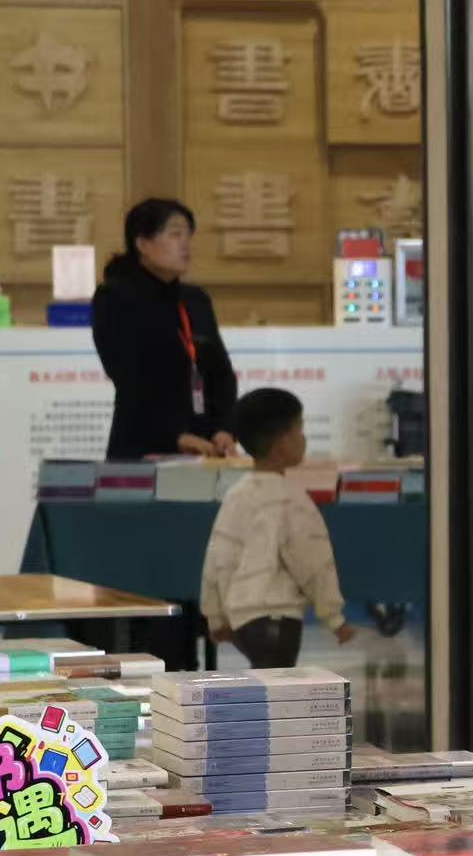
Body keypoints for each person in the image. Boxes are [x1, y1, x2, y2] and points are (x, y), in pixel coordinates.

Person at [201, 389, 355, 670]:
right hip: (278, 620)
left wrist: (216, 617)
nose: (303, 439)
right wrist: (334, 618)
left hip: (242, 621)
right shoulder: (292, 499)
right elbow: (312, 562)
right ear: (282, 443)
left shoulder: (237, 495)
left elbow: (218, 557)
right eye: (299, 430)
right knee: (278, 690)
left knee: (264, 682)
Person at [93, 198, 237, 460]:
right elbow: (129, 379)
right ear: (143, 244)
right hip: (144, 445)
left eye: (188, 235)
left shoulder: (196, 300)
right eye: (175, 234)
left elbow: (221, 374)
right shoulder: (115, 297)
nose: (186, 244)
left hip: (204, 447)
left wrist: (223, 429)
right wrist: (173, 436)